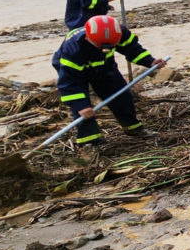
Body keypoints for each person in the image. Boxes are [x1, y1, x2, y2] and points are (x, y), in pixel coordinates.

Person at [53, 15, 166, 152]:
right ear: (88, 38)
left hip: (104, 66)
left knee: (123, 96)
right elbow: (69, 82)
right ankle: (90, 141)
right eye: (100, 47)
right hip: (77, 71)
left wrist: (149, 61)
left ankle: (132, 128)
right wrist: (80, 105)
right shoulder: (73, 49)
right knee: (83, 109)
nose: (104, 49)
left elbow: (132, 48)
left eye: (110, 46)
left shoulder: (119, 32)